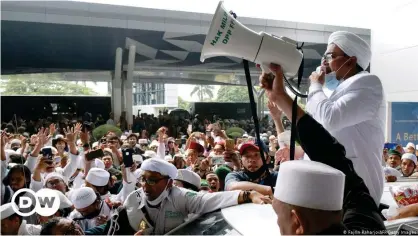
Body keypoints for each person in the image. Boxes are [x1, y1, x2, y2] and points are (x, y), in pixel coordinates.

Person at [261, 63, 386, 234]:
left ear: (297, 224)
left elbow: (336, 158)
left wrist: (282, 98)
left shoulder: (366, 224)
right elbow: (336, 159)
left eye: (278, 217)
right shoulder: (368, 225)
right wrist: (281, 97)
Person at [305, 31, 385, 205]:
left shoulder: (368, 83)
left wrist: (315, 86)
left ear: (351, 60)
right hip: (333, 186)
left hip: (360, 187)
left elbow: (330, 118)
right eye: (325, 56)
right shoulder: (334, 91)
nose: (325, 61)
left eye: (331, 56)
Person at [103, 158, 270, 235]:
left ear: (169, 183)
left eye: (152, 180)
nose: (145, 185)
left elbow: (211, 200)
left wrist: (249, 195)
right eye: (143, 179)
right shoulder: (132, 201)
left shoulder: (181, 197)